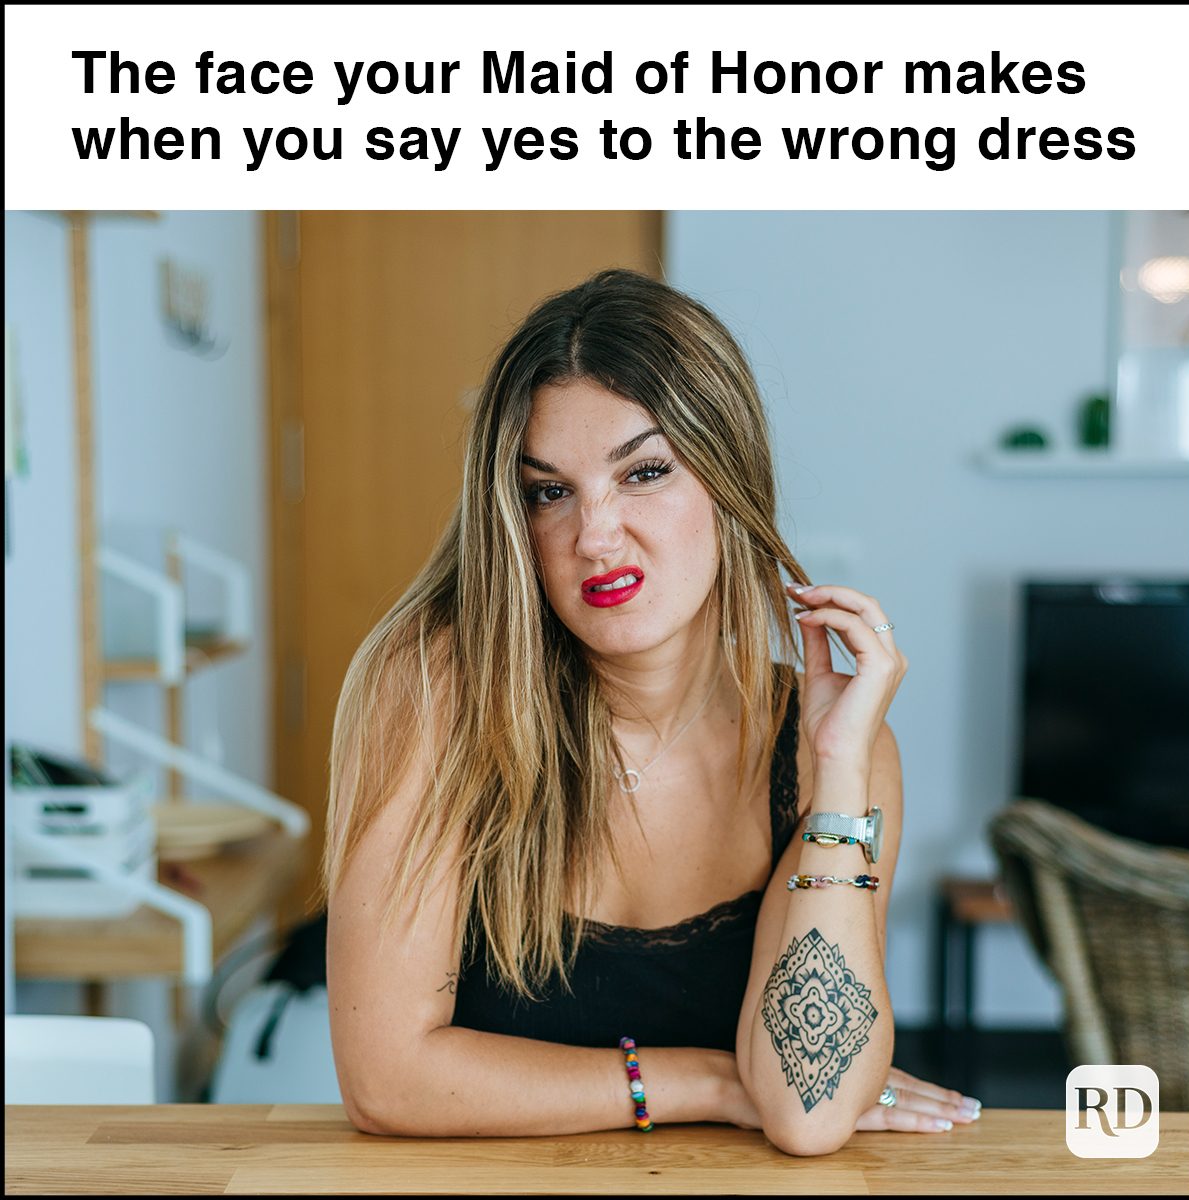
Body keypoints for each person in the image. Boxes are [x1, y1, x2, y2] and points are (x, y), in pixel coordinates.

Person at [322, 268, 982, 1154]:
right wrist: (710, 1078)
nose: (595, 536)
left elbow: (808, 1112)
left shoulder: (830, 752)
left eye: (644, 472)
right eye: (548, 491)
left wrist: (837, 778)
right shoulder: (438, 688)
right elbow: (388, 1078)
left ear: (729, 478)